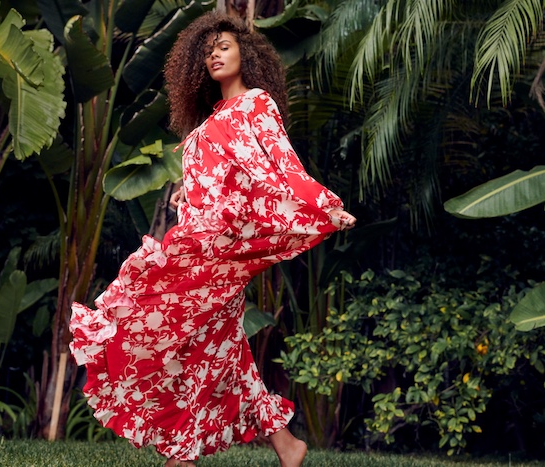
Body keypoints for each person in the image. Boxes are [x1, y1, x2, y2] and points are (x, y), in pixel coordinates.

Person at [68, 11, 356, 467]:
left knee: (171, 321)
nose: (215, 56)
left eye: (223, 46)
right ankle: (287, 445)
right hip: (198, 240)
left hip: (220, 248)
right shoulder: (209, 118)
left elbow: (279, 167)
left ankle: (183, 454)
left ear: (246, 52)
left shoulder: (256, 103)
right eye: (206, 52)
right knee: (218, 345)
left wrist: (321, 203)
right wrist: (189, 187)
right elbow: (214, 172)